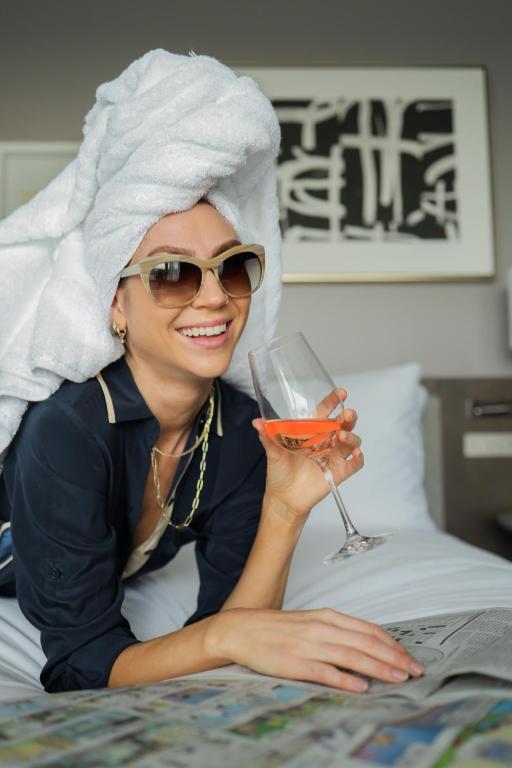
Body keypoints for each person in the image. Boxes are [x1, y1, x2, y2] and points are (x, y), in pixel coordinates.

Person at [0, 49, 424, 694]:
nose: (214, 298)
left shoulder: (242, 429)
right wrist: (228, 635)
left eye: (232, 267)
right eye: (170, 273)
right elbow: (83, 663)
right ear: (114, 305)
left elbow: (231, 623)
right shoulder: (66, 429)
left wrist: (286, 505)